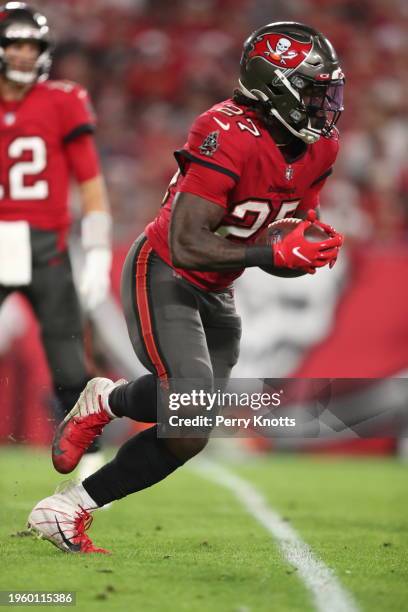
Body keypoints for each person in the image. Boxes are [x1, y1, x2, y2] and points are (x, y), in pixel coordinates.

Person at [28, 22, 345, 553]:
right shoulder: (225, 131)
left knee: (190, 425)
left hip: (218, 286)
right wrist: (272, 253)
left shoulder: (322, 148)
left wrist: (302, 247)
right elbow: (187, 241)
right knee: (193, 407)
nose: (324, 104)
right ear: (276, 84)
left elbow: (285, 229)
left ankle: (72, 495)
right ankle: (79, 472)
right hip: (167, 270)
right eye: (313, 89)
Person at [0, 3, 112, 476]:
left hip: (47, 242)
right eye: (15, 45)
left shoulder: (63, 100)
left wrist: (100, 250)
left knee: (69, 364)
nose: (24, 55)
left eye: (32, 46)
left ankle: (90, 469)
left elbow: (90, 181)